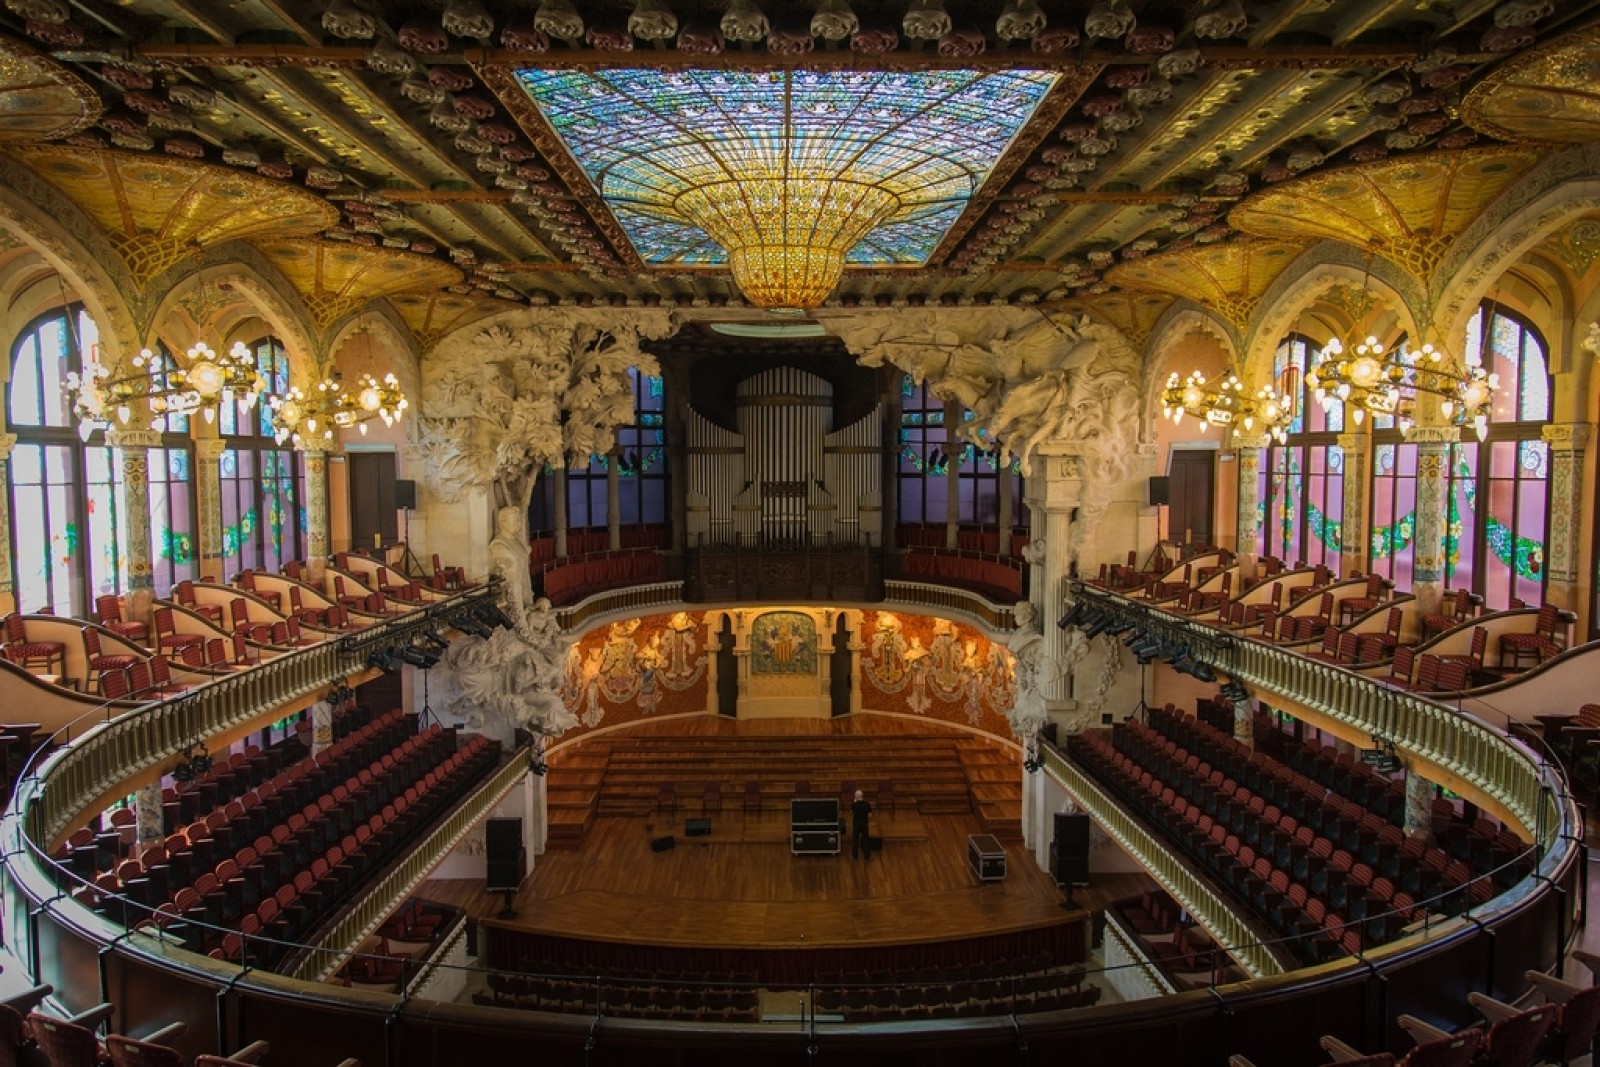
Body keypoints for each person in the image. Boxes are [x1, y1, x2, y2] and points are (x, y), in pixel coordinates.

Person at [851, 788, 872, 859]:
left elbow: (851, 812)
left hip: (856, 824)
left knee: (855, 841)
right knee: (865, 840)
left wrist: (855, 802)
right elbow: (869, 814)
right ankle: (867, 856)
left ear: (856, 797)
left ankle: (854, 856)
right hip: (864, 824)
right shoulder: (867, 804)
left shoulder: (854, 804)